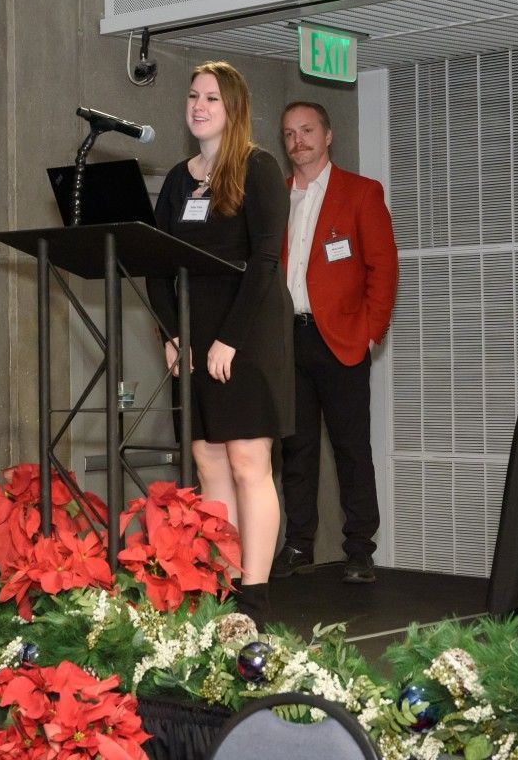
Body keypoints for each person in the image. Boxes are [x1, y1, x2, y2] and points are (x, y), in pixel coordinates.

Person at [146, 61, 293, 624]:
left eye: (211, 97)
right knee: (208, 462)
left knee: (248, 459)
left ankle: (254, 592)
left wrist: (228, 339)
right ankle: (224, 582)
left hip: (249, 331)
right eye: (193, 96)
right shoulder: (179, 181)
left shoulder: (257, 167)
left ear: (233, 109)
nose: (199, 105)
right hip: (195, 332)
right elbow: (155, 263)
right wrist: (172, 332)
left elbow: (264, 261)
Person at [271, 101, 399, 585]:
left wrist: (371, 332)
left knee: (351, 448)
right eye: (288, 133)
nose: (297, 140)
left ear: (328, 136)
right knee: (296, 450)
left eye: (306, 130)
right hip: (288, 343)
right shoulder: (277, 198)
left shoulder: (361, 193)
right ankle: (298, 544)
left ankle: (360, 549)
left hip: (343, 340)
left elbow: (383, 268)